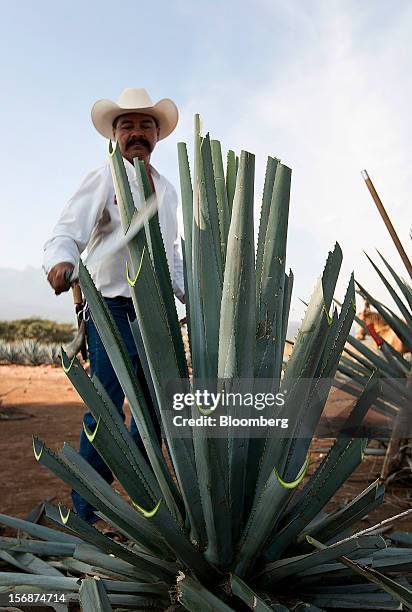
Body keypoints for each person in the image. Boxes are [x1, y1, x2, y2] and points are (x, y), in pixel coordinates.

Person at [43, 88, 185, 523]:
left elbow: (173, 257)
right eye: (128, 126)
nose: (137, 133)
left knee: (156, 412)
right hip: (112, 308)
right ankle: (87, 514)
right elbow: (66, 231)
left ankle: (147, 510)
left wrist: (194, 300)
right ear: (116, 134)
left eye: (146, 125)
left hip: (157, 315)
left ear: (157, 134)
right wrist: (62, 261)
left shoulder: (167, 189)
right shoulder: (105, 176)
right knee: (106, 406)